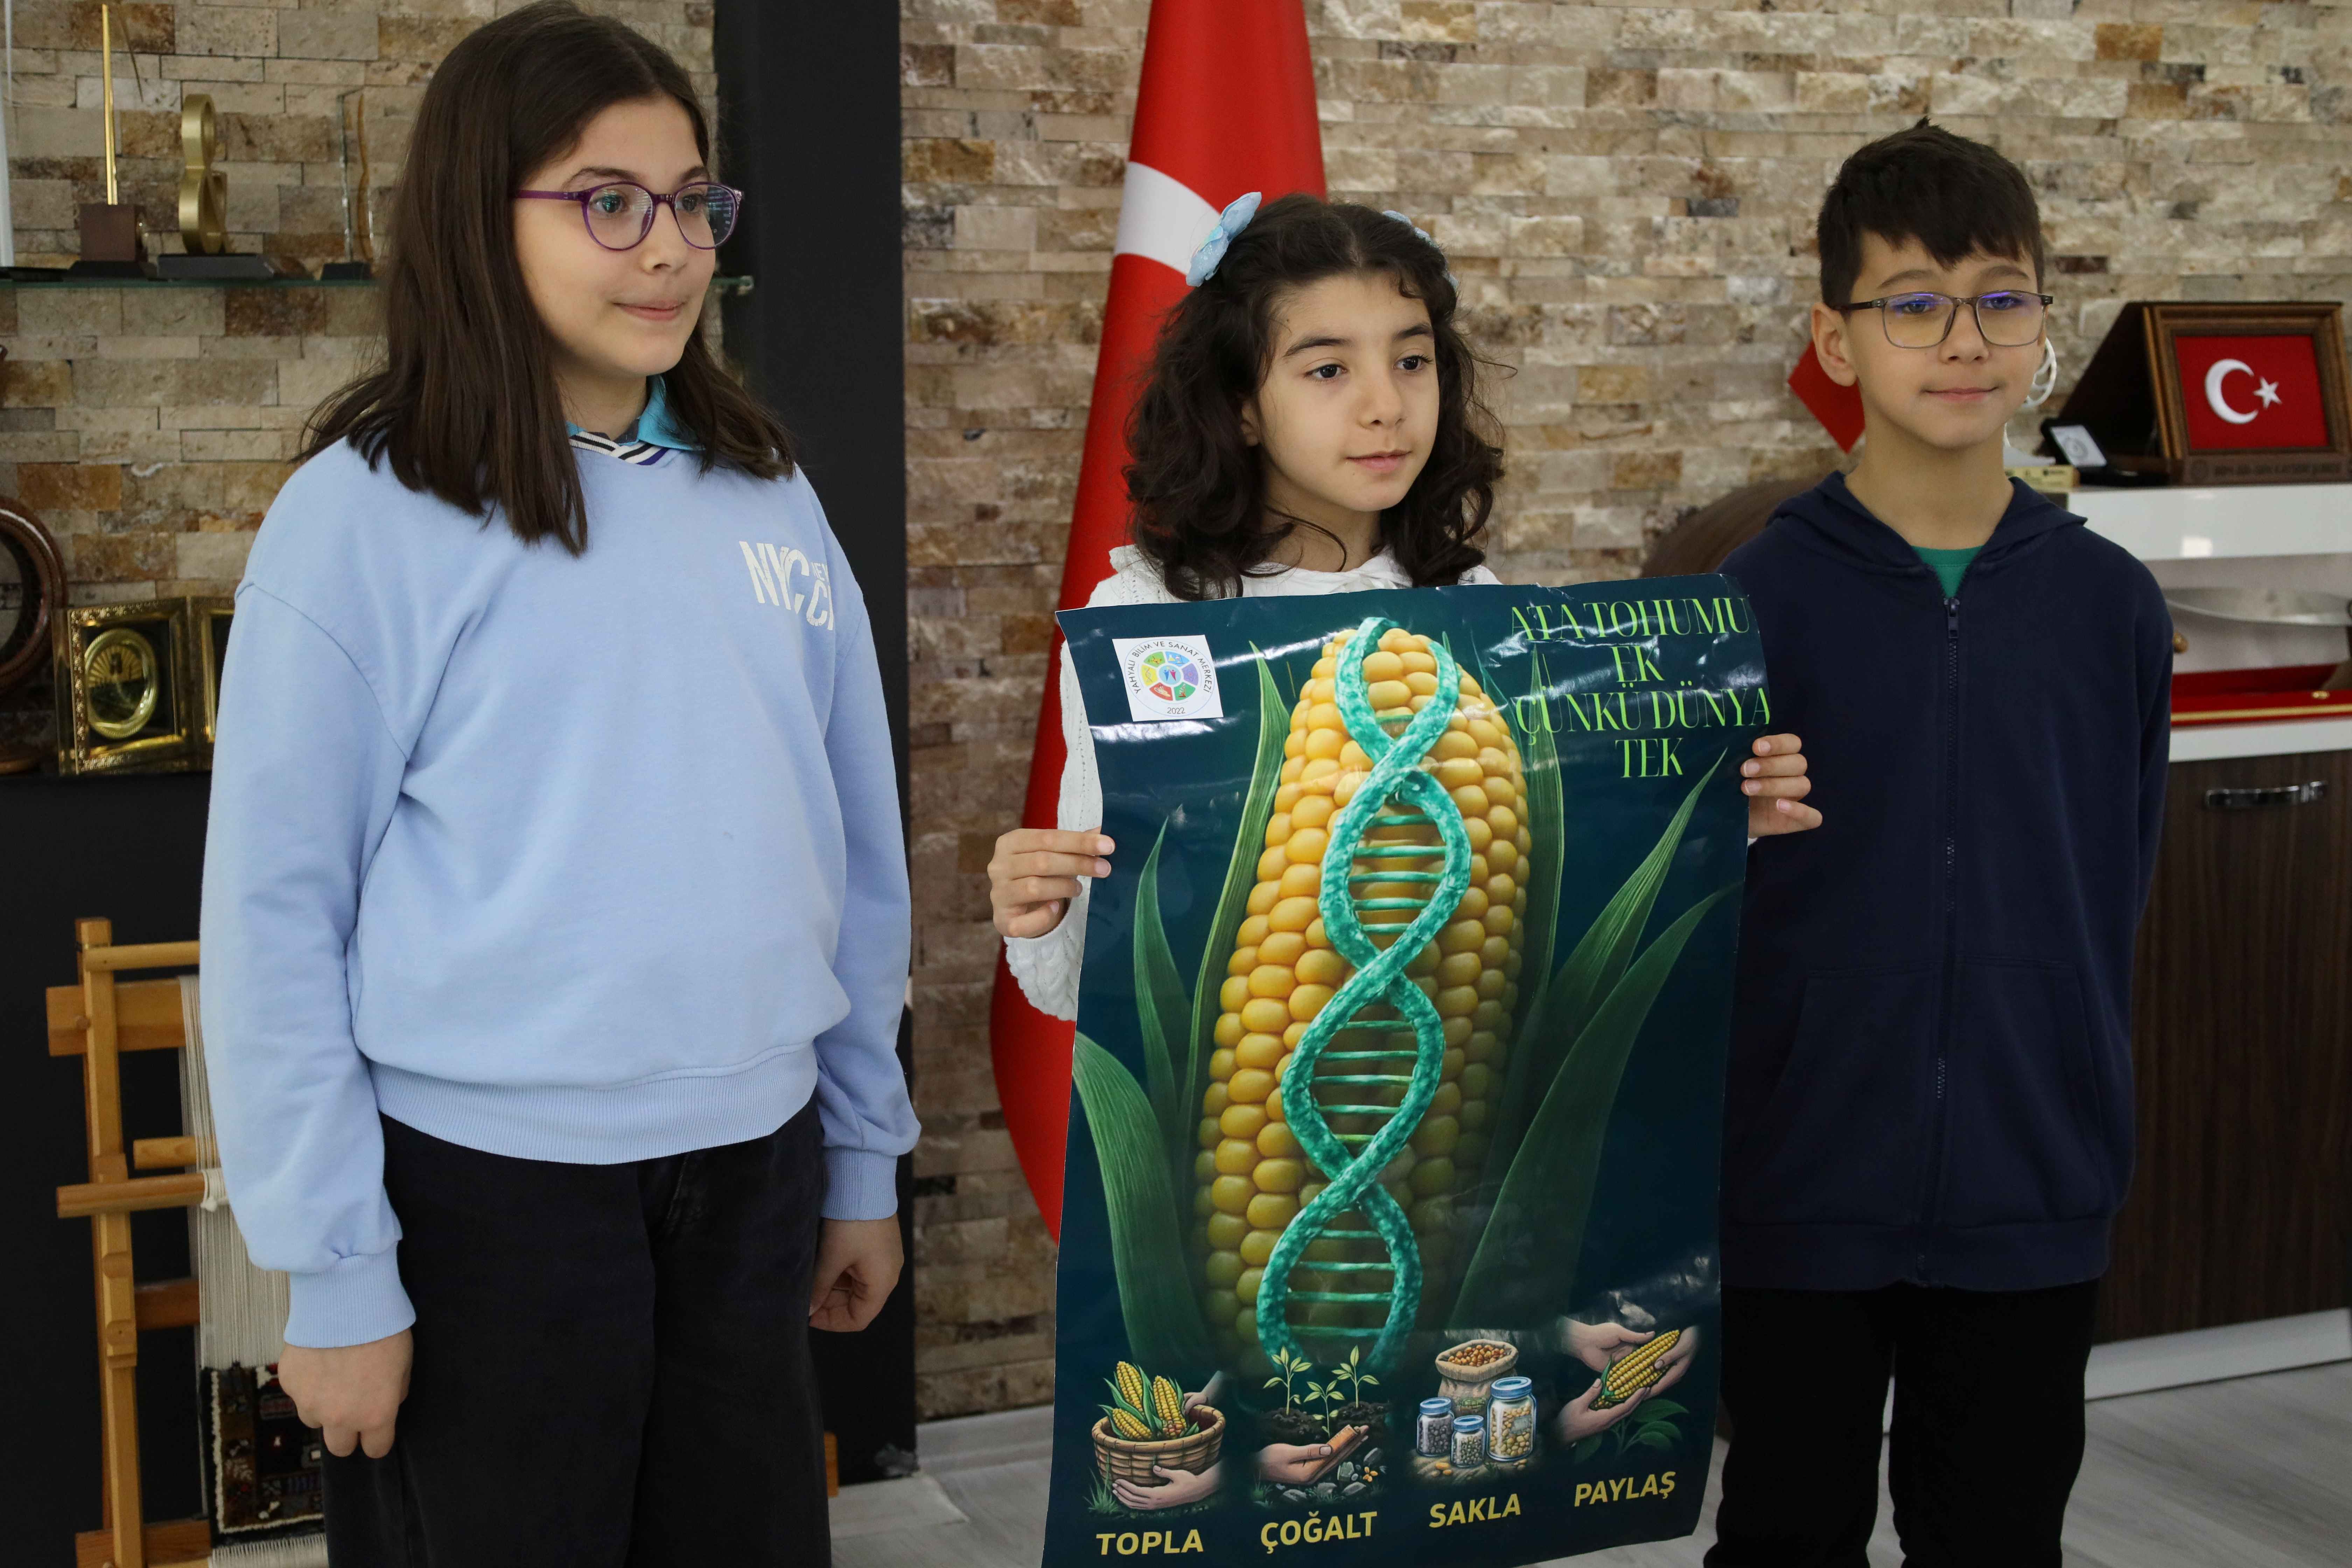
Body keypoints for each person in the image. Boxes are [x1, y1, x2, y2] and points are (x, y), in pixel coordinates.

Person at [197, 6, 917, 1563]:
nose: (670, 249)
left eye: (694, 202)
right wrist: (335, 1272)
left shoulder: (769, 491)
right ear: (481, 214)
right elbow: (274, 921)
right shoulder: (363, 514)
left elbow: (856, 852)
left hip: (755, 1171)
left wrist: (864, 1153)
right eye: (609, 202)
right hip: (485, 1203)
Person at [988, 194, 1822, 1007]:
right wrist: (1044, 909)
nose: (1386, 405)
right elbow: (1088, 980)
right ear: (1241, 406)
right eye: (1328, 369)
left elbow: (1556, 906)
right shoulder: (1144, 617)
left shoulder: (1479, 608)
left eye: (1411, 361)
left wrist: (1717, 820)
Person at [1709, 122, 2172, 1567]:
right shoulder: (1752, 597)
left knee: (1999, 1538)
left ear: (2042, 325)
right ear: (1835, 341)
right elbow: (1701, 894)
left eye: (2001, 299)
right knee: (1785, 1533)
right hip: (1800, 1177)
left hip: (2034, 1176)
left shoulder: (2110, 604)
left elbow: (2118, 878)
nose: (1965, 340)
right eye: (1914, 302)